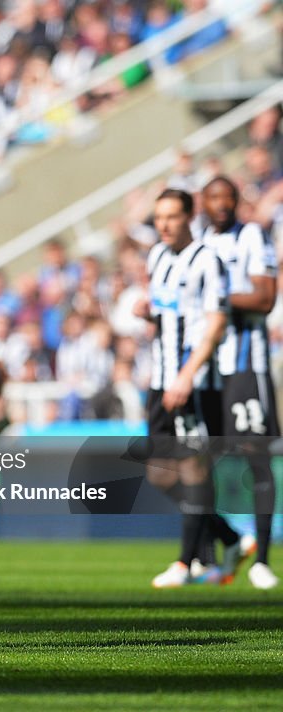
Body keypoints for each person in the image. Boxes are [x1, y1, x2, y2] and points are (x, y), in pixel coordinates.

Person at [137, 189, 238, 589]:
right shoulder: (157, 256)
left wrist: (187, 373)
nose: (164, 224)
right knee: (160, 474)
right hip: (161, 379)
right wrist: (147, 313)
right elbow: (168, 312)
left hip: (194, 381)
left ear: (189, 218)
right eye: (159, 217)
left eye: (172, 217)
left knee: (195, 466)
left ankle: (184, 563)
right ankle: (229, 537)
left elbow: (215, 322)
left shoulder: (207, 260)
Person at [201, 176, 279, 590]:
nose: (221, 204)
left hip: (247, 365)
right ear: (203, 203)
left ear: (236, 201)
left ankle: (263, 559)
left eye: (227, 197)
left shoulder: (252, 235)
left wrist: (211, 297)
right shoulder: (197, 242)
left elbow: (265, 298)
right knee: (190, 459)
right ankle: (224, 542)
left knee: (256, 456)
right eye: (213, 197)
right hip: (204, 367)